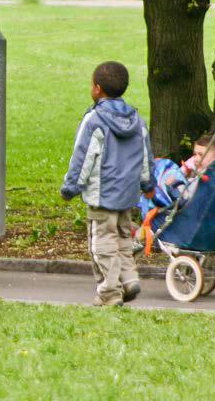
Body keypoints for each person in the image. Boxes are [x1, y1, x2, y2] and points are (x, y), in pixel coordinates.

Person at [61, 61, 155, 306]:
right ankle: (130, 278)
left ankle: (109, 292)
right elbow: (146, 156)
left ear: (97, 88)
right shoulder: (137, 120)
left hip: (102, 195)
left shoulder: (94, 120)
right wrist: (147, 184)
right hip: (127, 194)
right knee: (123, 239)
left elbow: (83, 157)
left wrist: (71, 187)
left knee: (101, 244)